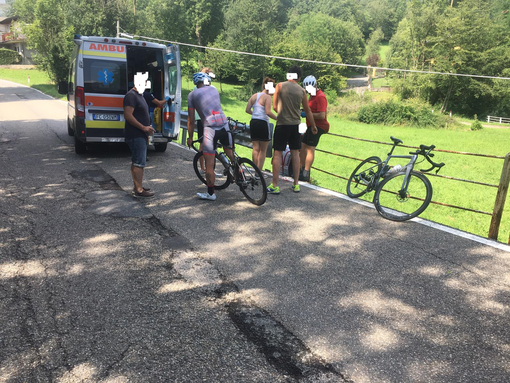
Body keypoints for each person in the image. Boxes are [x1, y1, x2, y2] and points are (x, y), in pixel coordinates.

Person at [267, 65, 316, 194]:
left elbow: (274, 106)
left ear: (289, 74)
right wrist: (314, 126)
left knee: (277, 153)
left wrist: (282, 113)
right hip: (296, 125)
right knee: (296, 154)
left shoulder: (280, 86)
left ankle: (275, 185)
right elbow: (307, 110)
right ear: (299, 78)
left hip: (282, 124)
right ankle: (296, 184)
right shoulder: (302, 91)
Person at [187, 72, 233, 201]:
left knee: (209, 164)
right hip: (224, 124)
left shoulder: (192, 95)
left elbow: (191, 120)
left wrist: (190, 137)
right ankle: (239, 173)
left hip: (210, 128)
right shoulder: (214, 89)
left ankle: (211, 193)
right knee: (230, 152)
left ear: (196, 83)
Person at [124, 72, 155, 198]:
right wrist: (143, 127)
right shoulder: (131, 96)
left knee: (137, 161)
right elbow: (128, 115)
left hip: (140, 134)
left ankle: (138, 186)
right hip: (135, 134)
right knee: (139, 162)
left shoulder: (139, 95)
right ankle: (139, 190)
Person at [299, 75, 329, 182]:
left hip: (319, 126)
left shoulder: (320, 97)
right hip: (311, 125)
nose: (308, 92)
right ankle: (301, 169)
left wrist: (307, 114)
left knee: (310, 148)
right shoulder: (312, 96)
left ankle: (306, 172)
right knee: (302, 146)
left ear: (315, 85)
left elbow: (321, 115)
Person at [245, 77, 277, 170]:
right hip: (263, 123)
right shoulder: (267, 97)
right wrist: (277, 119)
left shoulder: (254, 95)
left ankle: (254, 169)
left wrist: (255, 114)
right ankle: (259, 171)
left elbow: (247, 110)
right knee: (263, 150)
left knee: (255, 148)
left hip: (253, 122)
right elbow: (268, 112)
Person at [195, 67, 216, 172]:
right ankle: (205, 168)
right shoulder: (210, 89)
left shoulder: (196, 88)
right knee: (205, 144)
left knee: (204, 144)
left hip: (201, 119)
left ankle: (204, 167)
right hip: (206, 119)